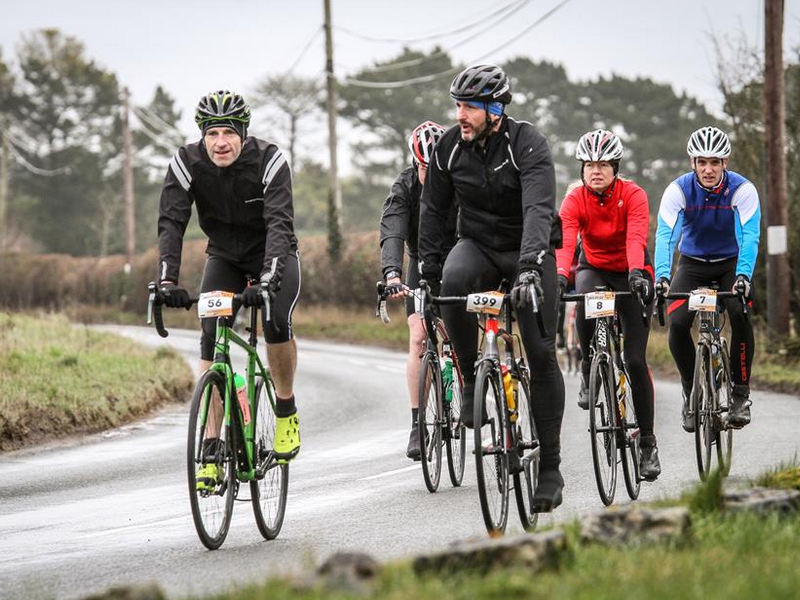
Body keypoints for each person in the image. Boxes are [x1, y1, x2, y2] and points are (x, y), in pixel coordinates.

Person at [418, 64, 566, 511]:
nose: (460, 114)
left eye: (469, 107)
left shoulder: (527, 144)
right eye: (457, 105)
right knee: (453, 281)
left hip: (528, 248)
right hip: (479, 244)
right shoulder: (448, 148)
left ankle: (551, 468)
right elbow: (432, 210)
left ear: (495, 109)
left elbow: (540, 210)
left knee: (540, 353)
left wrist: (527, 269)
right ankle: (469, 379)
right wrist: (427, 272)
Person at [156, 90, 302, 489]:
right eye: (212, 133)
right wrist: (168, 280)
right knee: (210, 335)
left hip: (273, 254)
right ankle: (210, 447)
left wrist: (269, 278)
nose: (220, 142)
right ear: (203, 135)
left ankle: (286, 409)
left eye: (228, 133)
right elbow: (172, 222)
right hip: (224, 254)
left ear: (242, 133)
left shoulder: (269, 159)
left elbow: (279, 223)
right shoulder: (187, 163)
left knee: (275, 323)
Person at [556, 129, 660, 481]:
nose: (595, 170)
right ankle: (589, 366)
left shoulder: (633, 194)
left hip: (631, 271)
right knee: (585, 298)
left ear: (615, 167)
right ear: (582, 168)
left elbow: (635, 236)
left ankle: (647, 443)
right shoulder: (574, 201)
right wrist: (558, 276)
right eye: (589, 164)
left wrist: (635, 272)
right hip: (595, 268)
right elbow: (566, 242)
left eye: (602, 164)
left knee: (633, 359)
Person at [654, 126, 761, 430]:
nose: (708, 169)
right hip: (692, 264)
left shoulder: (742, 190)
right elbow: (665, 236)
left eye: (715, 162)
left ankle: (740, 394)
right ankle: (691, 392)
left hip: (730, 263)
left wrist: (743, 275)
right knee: (676, 324)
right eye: (702, 162)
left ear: (725, 163)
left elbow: (750, 236)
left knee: (740, 314)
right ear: (693, 163)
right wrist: (662, 276)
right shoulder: (679, 190)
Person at [379, 120, 451, 460]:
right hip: (420, 263)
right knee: (419, 338)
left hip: (456, 259)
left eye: (435, 167)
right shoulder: (405, 186)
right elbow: (393, 229)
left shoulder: (459, 183)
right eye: (424, 167)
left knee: (456, 330)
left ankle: (467, 385)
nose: (430, 174)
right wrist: (392, 274)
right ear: (414, 163)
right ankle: (418, 423)